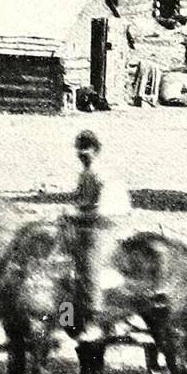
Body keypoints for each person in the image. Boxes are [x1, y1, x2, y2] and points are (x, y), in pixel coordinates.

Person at [70, 130, 132, 343]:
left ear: (96, 151)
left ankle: (95, 321)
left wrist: (77, 215)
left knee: (89, 263)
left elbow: (103, 211)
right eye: (79, 150)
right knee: (62, 263)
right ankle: (67, 321)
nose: (82, 154)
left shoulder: (104, 176)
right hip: (87, 228)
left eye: (86, 150)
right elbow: (80, 203)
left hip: (107, 229)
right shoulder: (84, 175)